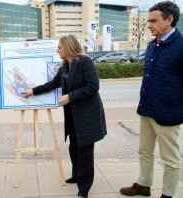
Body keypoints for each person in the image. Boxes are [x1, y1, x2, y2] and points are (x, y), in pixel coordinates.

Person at [22, 34, 107, 198]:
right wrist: (33, 90)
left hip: (87, 115)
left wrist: (70, 97)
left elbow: (93, 86)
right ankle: (76, 175)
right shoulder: (65, 66)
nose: (57, 50)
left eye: (59, 47)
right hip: (73, 115)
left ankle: (84, 187)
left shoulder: (85, 61)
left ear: (68, 47)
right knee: (74, 147)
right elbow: (53, 84)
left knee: (85, 151)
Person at [120, 1, 183, 198]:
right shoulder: (151, 45)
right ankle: (143, 185)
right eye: (148, 21)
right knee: (144, 151)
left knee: (170, 159)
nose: (149, 25)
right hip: (146, 110)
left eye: (154, 21)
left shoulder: (181, 46)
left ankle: (167, 194)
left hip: (168, 114)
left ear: (170, 19)